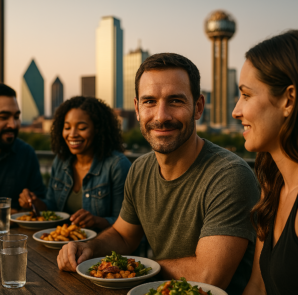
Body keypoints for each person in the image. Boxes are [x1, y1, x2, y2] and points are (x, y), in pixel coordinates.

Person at [57, 53, 259, 295]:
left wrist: (132, 267)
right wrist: (88, 248)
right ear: (137, 109)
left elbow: (209, 276)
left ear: (198, 107)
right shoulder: (140, 169)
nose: (161, 116)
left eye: (175, 101)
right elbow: (123, 235)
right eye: (150, 101)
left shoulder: (229, 176)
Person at [232, 30, 298, 295]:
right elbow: (258, 287)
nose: (236, 111)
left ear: (288, 100)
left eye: (246, 95)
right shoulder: (272, 187)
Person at [19, 96, 131, 230]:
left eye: (82, 128)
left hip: (101, 247)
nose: (72, 134)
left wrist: (96, 221)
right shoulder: (60, 161)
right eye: (67, 127)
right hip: (61, 245)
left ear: (98, 130)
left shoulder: (117, 165)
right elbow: (53, 207)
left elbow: (128, 225)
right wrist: (35, 203)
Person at [0, 83, 46, 213]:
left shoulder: (26, 154)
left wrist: (32, 202)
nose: (13, 125)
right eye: (3, 117)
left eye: (16, 117)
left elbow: (42, 207)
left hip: (16, 233)